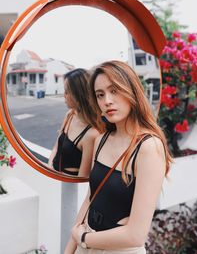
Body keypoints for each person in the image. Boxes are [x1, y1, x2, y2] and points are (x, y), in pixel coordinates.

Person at [64, 60, 172, 253]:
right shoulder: (101, 139)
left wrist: (84, 238)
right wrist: (70, 247)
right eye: (100, 95)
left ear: (131, 91)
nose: (107, 101)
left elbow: (136, 235)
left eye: (114, 90)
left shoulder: (148, 147)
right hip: (86, 241)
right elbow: (91, 197)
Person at [48, 68, 101, 177]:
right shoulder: (70, 115)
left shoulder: (92, 134)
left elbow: (82, 178)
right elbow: (56, 147)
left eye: (67, 92)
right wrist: (49, 167)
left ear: (79, 95)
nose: (64, 95)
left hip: (69, 184)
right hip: (53, 174)